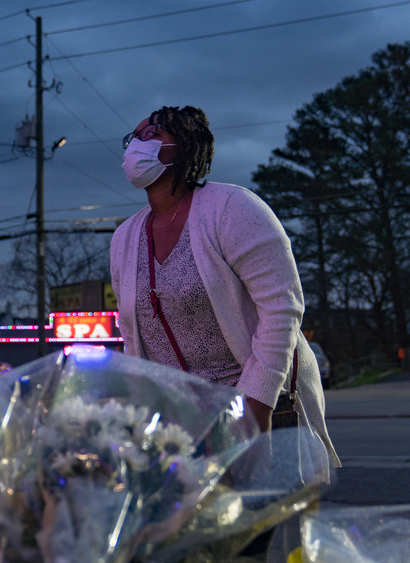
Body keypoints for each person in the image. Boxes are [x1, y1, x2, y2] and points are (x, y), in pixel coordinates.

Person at [108, 106, 340, 476]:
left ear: (185, 147)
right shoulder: (124, 238)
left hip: (251, 407)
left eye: (151, 134)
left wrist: (256, 409)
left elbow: (282, 309)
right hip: (180, 427)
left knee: (253, 526)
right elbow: (133, 339)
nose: (137, 144)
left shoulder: (233, 209)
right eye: (133, 138)